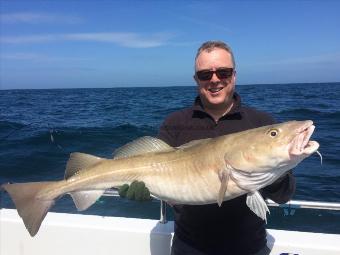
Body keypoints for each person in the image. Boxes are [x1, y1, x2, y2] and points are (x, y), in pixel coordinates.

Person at [120, 41, 296, 255]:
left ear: (234, 75)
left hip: (250, 248)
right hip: (189, 248)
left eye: (223, 72)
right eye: (205, 74)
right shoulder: (175, 122)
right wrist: (147, 193)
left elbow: (283, 196)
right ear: (196, 80)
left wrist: (275, 172)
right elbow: (166, 187)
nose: (215, 79)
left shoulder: (260, 122)